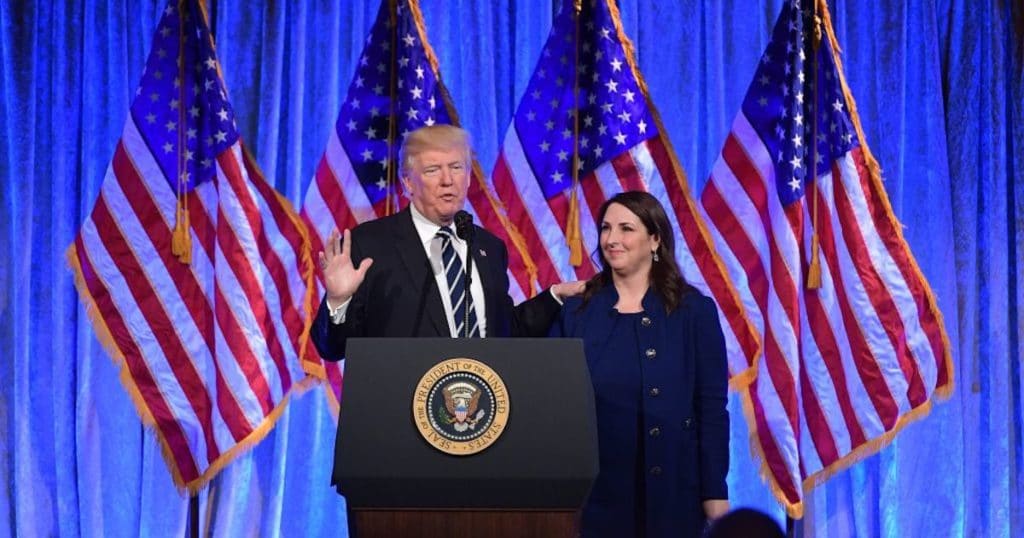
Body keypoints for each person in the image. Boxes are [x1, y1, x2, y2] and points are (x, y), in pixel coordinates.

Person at [310, 124, 583, 360]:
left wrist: (554, 296)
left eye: (456, 167)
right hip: (401, 409)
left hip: (479, 409)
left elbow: (502, 332)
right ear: (408, 184)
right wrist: (338, 300)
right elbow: (332, 348)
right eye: (432, 170)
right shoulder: (371, 244)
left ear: (467, 179)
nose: (447, 180)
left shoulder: (488, 247)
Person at [549, 191, 730, 537]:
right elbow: (555, 403)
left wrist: (714, 492)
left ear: (655, 240)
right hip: (597, 499)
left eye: (626, 229)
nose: (612, 239)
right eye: (605, 228)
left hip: (675, 494)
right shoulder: (577, 311)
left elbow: (711, 409)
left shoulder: (694, 312)